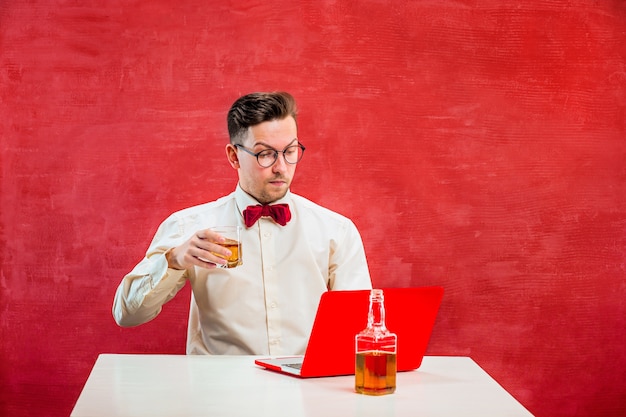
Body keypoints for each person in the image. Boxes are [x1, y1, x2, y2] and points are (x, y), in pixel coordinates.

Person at [113, 92, 372, 355]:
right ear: (234, 156)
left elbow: (361, 326)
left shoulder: (336, 231)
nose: (282, 167)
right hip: (219, 390)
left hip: (307, 387)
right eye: (265, 154)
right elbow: (127, 315)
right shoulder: (188, 226)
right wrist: (173, 260)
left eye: (290, 151)